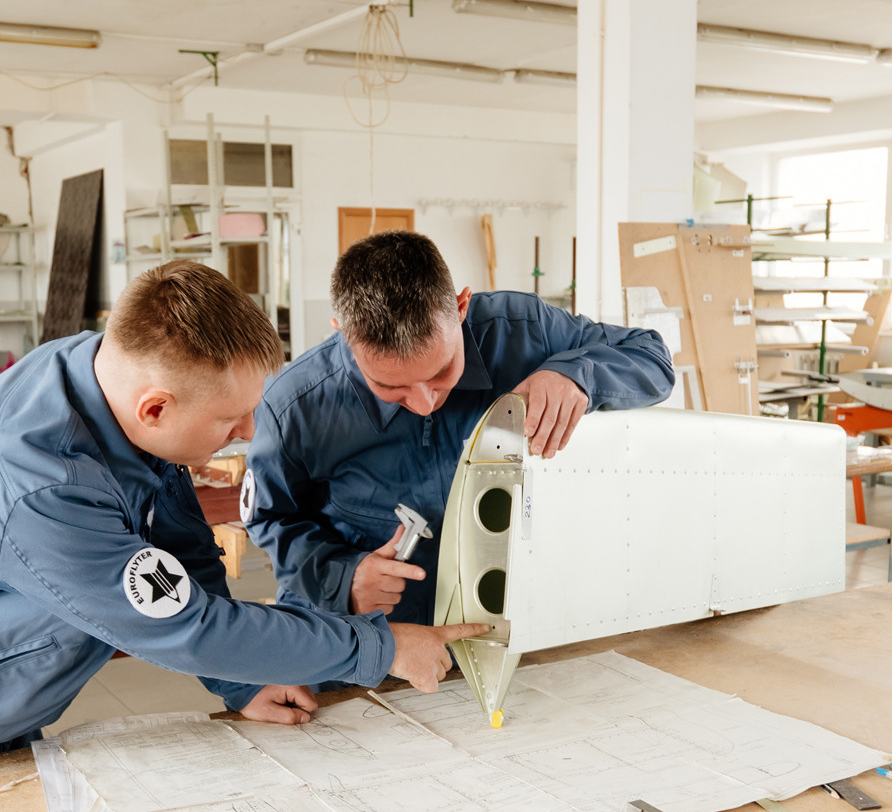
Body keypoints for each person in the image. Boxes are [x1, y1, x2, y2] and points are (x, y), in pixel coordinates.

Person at [0, 259, 484, 791]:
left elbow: (181, 556)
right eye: (229, 421)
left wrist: (238, 683)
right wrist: (380, 646)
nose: (244, 434)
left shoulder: (108, 382)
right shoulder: (42, 487)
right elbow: (187, 626)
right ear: (156, 407)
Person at [245, 230, 675, 625]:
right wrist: (342, 580)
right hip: (368, 634)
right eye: (390, 387)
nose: (424, 401)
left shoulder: (522, 331)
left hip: (507, 620)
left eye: (441, 371)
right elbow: (271, 519)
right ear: (344, 335)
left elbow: (652, 357)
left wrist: (578, 373)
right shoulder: (293, 405)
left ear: (462, 307)